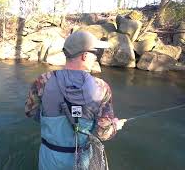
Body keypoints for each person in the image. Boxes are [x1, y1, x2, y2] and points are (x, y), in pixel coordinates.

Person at [25, 31, 127, 170]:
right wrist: (115, 125)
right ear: (85, 55)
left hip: (49, 158)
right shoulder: (102, 88)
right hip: (81, 161)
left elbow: (31, 112)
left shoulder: (42, 81)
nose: (96, 57)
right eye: (95, 53)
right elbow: (103, 133)